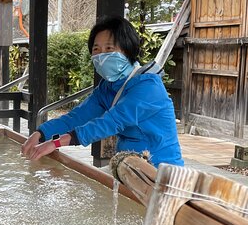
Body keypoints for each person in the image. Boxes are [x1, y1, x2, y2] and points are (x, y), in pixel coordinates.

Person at [22, 15, 183, 168]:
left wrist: (55, 143)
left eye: (109, 48)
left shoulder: (148, 86)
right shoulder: (108, 88)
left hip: (162, 171)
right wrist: (41, 133)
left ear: (128, 50)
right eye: (96, 49)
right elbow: (77, 117)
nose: (101, 55)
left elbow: (111, 122)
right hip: (130, 167)